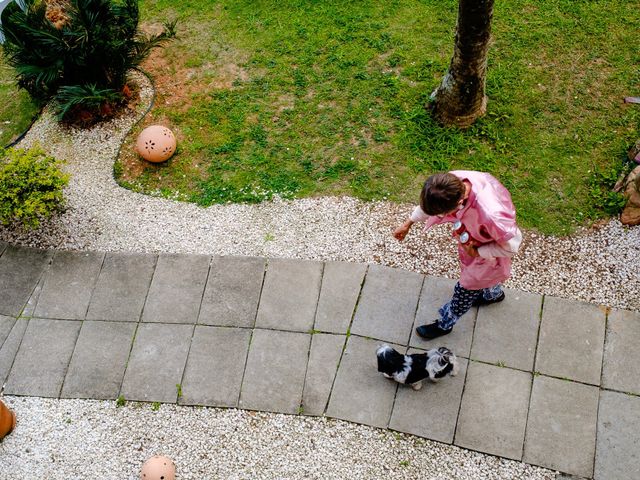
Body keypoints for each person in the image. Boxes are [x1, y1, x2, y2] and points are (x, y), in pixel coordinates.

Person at [393, 171, 522, 339]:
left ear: (459, 202)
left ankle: (445, 324)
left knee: (464, 290)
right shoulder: (449, 184)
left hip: (488, 258)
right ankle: (493, 295)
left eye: (441, 215)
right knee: (489, 279)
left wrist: (478, 252)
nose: (438, 217)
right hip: (474, 244)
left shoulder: (492, 216)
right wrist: (408, 223)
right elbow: (431, 208)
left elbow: (513, 245)